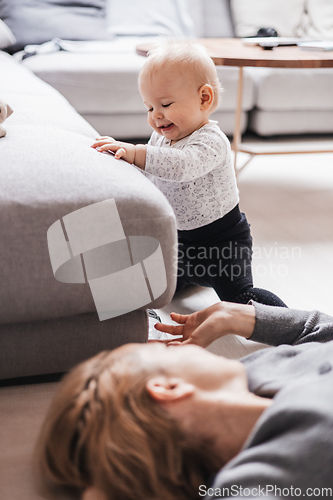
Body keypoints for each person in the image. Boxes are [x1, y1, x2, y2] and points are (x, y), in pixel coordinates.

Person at [36, 300, 333, 500]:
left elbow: (322, 335)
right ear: (169, 388)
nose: (178, 348)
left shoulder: (255, 373)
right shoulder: (262, 476)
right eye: (164, 352)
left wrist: (247, 318)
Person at [91, 40, 286, 308]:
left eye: (165, 104)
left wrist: (136, 152)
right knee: (146, 286)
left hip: (223, 247)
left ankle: (294, 328)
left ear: (204, 98)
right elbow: (153, 176)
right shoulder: (160, 139)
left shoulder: (212, 141)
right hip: (180, 244)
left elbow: (182, 166)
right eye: (149, 107)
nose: (155, 116)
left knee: (241, 299)